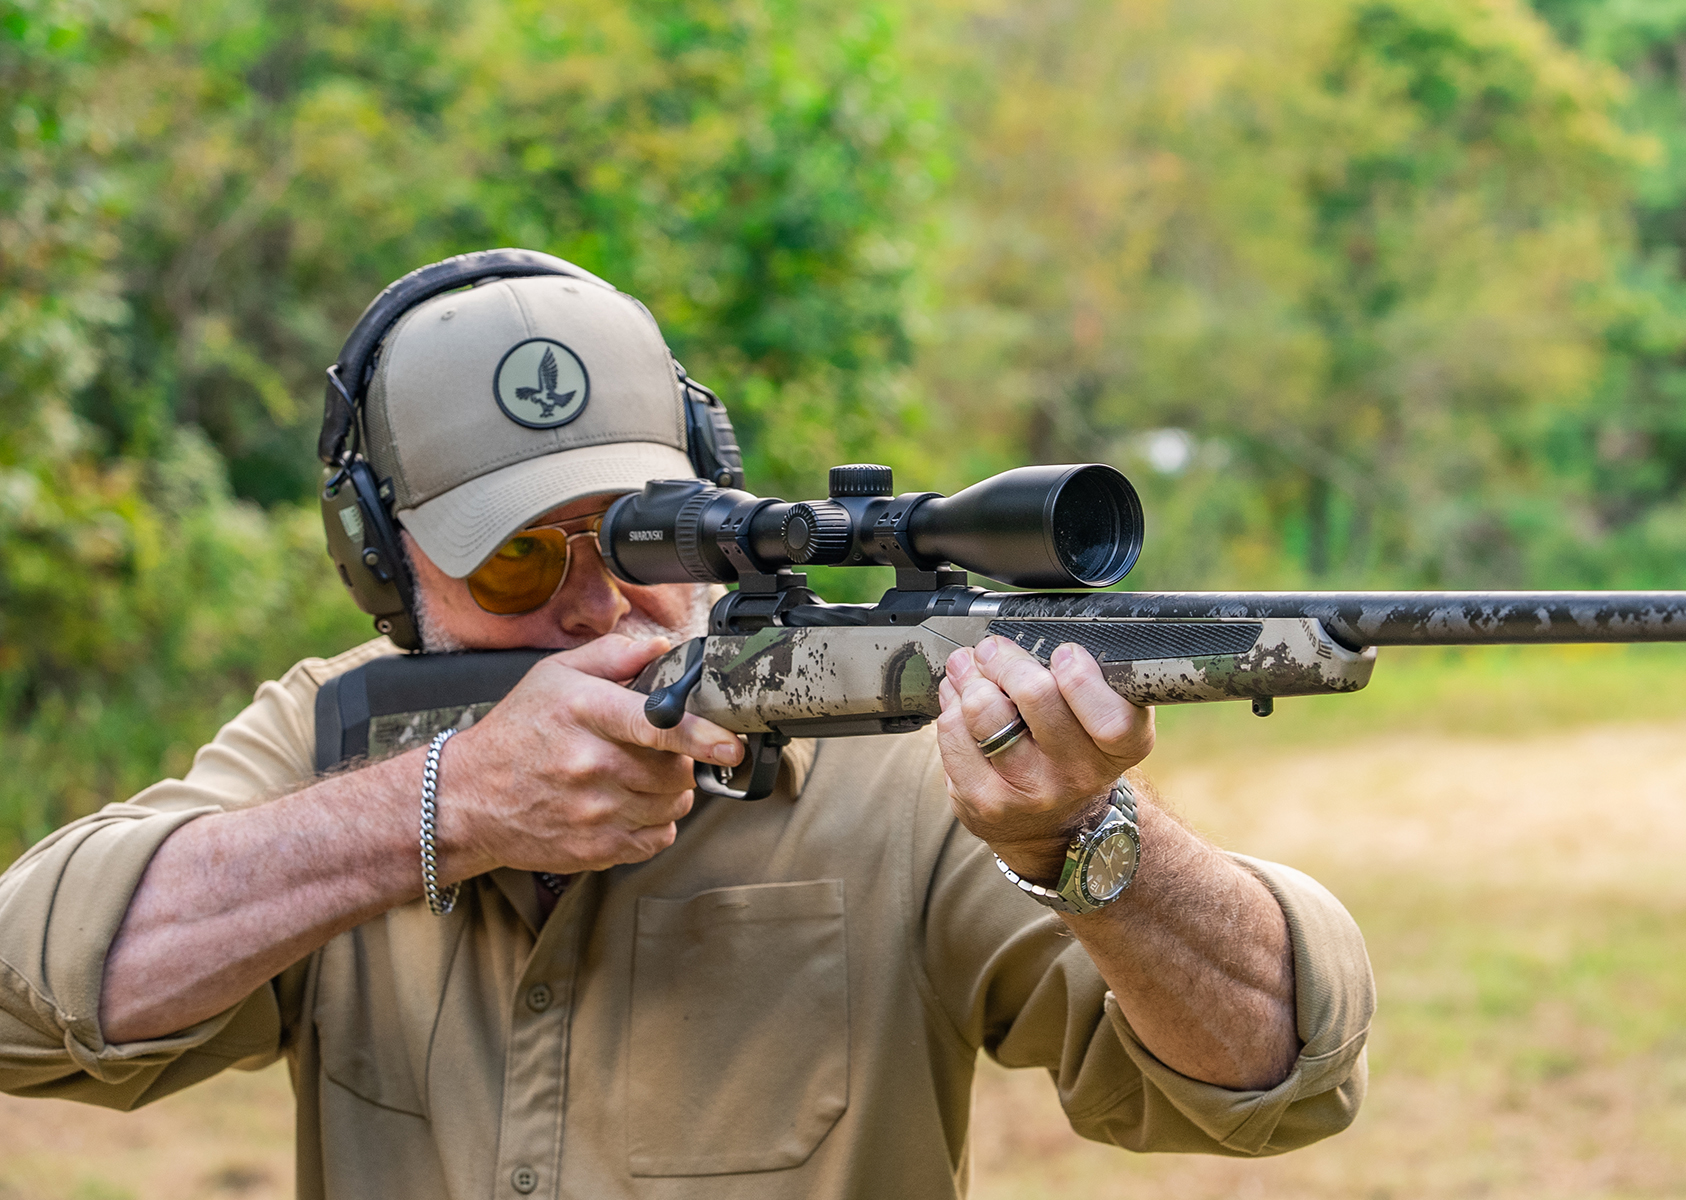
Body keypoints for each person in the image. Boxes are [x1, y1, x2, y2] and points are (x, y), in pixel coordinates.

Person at [0, 256, 1373, 1198]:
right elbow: (30, 994)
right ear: (383, 567)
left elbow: (1273, 1073)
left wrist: (1083, 838)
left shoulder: (883, 757)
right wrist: (445, 807)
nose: (597, 608)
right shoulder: (338, 736)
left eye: (638, 535)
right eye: (515, 564)